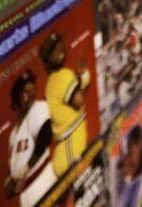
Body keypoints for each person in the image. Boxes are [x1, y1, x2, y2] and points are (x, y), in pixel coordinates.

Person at [39, 31, 91, 178]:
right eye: (54, 50)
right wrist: (83, 78)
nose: (60, 50)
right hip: (70, 146)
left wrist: (81, 79)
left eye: (59, 45)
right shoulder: (62, 76)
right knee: (80, 186)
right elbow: (78, 100)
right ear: (48, 61)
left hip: (67, 145)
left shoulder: (52, 82)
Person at [4, 70, 56, 206]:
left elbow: (45, 136)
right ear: (16, 101)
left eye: (32, 89)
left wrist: (26, 168)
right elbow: (14, 167)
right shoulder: (14, 134)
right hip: (26, 191)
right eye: (25, 92)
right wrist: (11, 180)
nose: (31, 94)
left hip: (42, 181)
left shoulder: (38, 108)